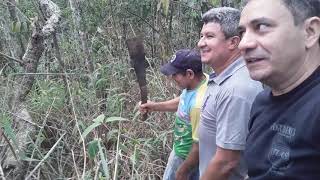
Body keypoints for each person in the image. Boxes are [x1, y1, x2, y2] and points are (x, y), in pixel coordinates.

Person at [238, 0, 320, 179]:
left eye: (261, 26)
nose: (243, 44)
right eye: (242, 32)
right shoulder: (261, 101)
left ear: (310, 32)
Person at [197, 7, 263, 180]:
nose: (201, 43)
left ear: (233, 42)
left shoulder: (236, 89)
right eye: (201, 36)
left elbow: (226, 162)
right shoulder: (221, 79)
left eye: (209, 36)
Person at [139, 49, 208, 180]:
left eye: (175, 74)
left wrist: (183, 170)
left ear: (190, 74)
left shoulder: (198, 105)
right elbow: (182, 102)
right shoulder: (200, 82)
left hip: (187, 158)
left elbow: (198, 146)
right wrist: (154, 106)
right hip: (180, 152)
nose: (171, 78)